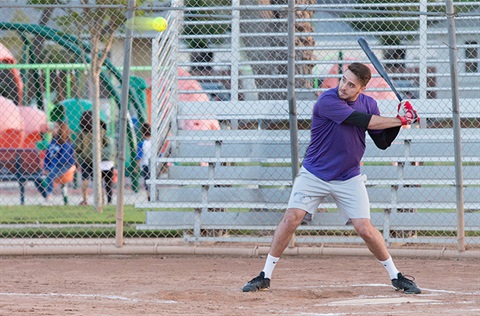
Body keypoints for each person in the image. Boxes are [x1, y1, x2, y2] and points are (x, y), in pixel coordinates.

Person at [241, 63, 421, 294]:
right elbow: (362, 121)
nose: (343, 86)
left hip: (348, 177)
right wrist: (400, 119)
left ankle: (396, 277)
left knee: (365, 228)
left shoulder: (370, 104)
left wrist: (402, 119)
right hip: (315, 173)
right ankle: (264, 275)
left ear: (362, 89)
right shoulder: (327, 101)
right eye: (343, 80)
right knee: (291, 218)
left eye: (351, 84)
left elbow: (382, 142)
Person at [74, 111, 114, 205]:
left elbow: (78, 147)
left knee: (84, 179)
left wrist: (80, 151)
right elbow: (106, 143)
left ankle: (85, 199)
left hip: (85, 159)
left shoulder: (81, 133)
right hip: (96, 159)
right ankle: (101, 199)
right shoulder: (99, 131)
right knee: (98, 180)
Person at [34, 121, 76, 205]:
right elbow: (47, 157)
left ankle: (49, 197)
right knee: (37, 179)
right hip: (52, 167)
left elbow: (64, 159)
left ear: (61, 129)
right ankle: (46, 197)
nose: (53, 129)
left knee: (50, 175)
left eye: (56, 127)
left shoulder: (66, 143)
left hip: (65, 166)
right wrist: (45, 167)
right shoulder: (53, 141)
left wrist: (50, 168)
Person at [136, 122, 152, 201]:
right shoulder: (154, 143)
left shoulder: (142, 144)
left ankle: (149, 195)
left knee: (147, 180)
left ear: (142, 133)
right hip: (154, 164)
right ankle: (154, 193)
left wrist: (137, 165)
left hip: (145, 165)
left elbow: (139, 156)